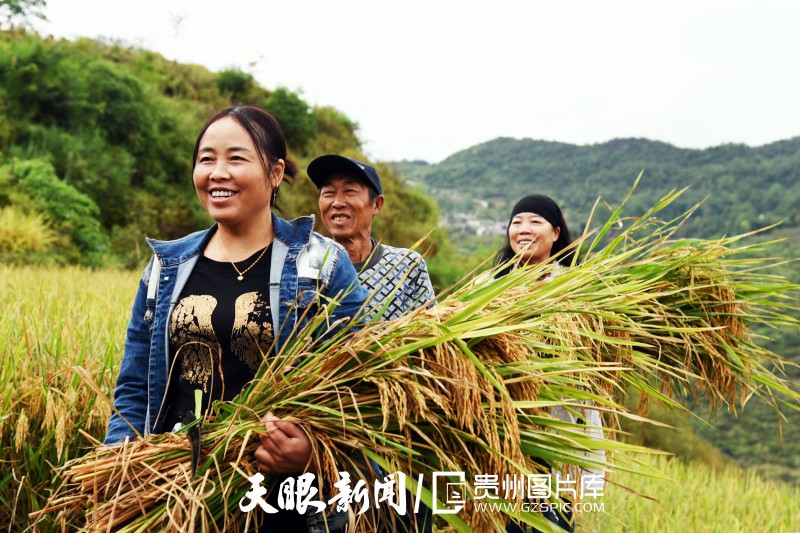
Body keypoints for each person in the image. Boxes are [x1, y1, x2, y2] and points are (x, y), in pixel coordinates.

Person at [103, 105, 368, 532]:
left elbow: (358, 386)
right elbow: (134, 387)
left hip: (281, 501)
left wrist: (311, 449)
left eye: (236, 158)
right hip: (172, 492)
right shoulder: (164, 268)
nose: (217, 172)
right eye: (206, 159)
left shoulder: (322, 265)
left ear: (276, 173)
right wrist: (118, 466)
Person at [495, 195, 604, 533]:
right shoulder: (487, 288)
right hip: (500, 435)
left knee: (552, 522)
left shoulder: (578, 289)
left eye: (535, 221)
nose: (524, 229)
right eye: (517, 222)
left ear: (556, 233)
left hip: (557, 433)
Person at [307, 154, 436, 321]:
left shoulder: (407, 265)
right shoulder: (304, 267)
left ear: (376, 204)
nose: (337, 202)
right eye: (328, 193)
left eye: (349, 192)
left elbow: (430, 331)